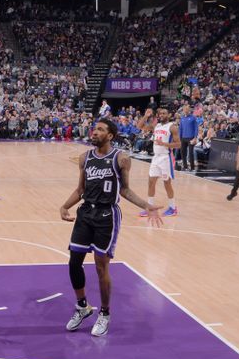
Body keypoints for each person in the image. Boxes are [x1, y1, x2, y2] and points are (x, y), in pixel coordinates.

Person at [60, 118, 163, 337]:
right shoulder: (84, 158)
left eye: (100, 129)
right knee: (74, 261)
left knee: (100, 267)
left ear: (110, 135)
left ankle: (105, 313)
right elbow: (80, 189)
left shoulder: (121, 159)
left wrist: (147, 205)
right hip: (86, 212)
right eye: (94, 128)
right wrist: (64, 206)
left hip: (107, 215)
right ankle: (82, 307)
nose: (94, 132)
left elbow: (125, 190)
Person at [136, 106, 181, 217]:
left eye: (164, 113)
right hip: (156, 158)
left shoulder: (172, 127)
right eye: (160, 114)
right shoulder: (157, 126)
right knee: (151, 182)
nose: (161, 115)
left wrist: (164, 144)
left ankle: (173, 208)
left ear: (169, 115)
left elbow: (178, 144)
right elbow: (139, 126)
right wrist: (146, 116)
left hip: (166, 158)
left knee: (167, 183)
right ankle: (150, 208)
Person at [178, 104, 198, 171]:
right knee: (182, 152)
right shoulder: (182, 118)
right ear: (183, 110)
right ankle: (185, 166)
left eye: (187, 109)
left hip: (191, 138)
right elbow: (180, 129)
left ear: (189, 110)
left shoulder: (193, 117)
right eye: (184, 109)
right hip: (183, 138)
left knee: (190, 153)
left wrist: (195, 137)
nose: (186, 110)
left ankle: (192, 167)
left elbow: (196, 128)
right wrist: (179, 138)